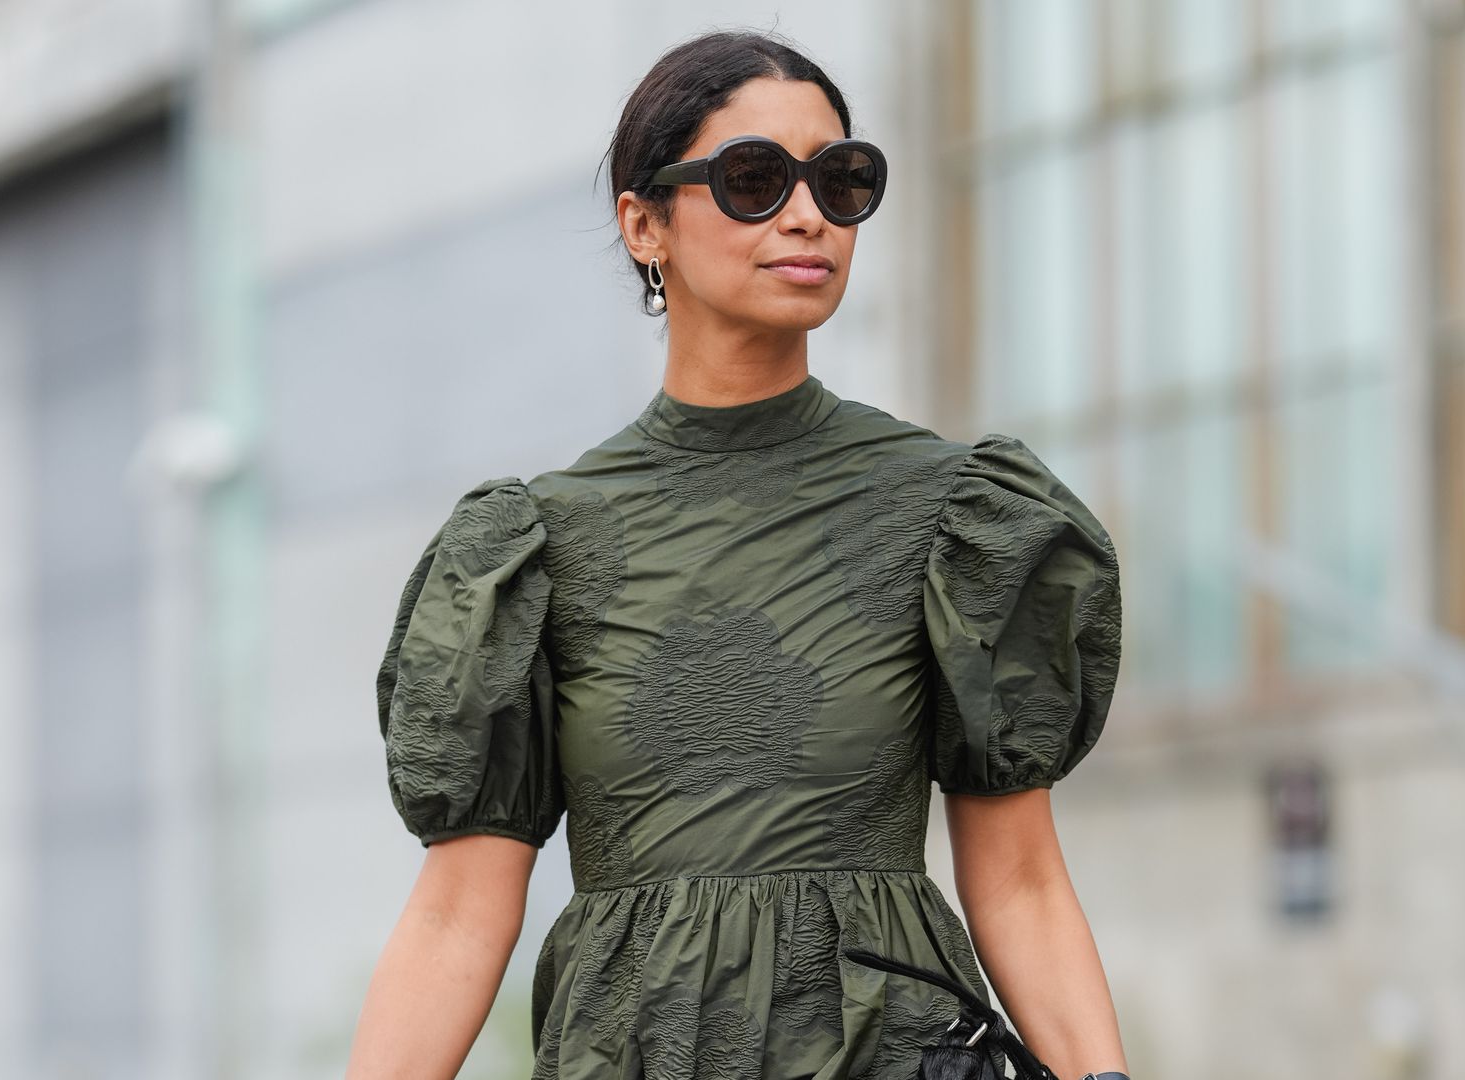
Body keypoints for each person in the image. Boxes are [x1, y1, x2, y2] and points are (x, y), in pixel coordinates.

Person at [348, 28, 1130, 1080]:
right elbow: (454, 916)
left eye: (841, 180)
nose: (808, 213)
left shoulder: (955, 514)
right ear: (643, 223)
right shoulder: (534, 547)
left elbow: (1023, 879)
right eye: (755, 178)